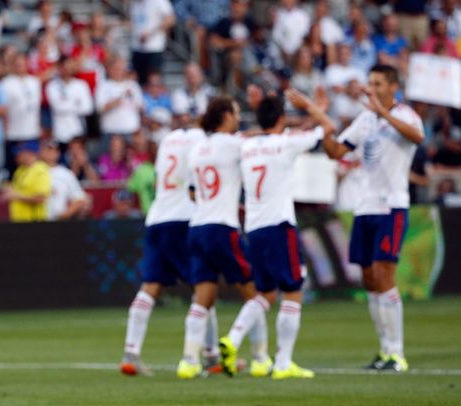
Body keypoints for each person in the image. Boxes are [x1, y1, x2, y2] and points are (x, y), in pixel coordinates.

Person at [322, 64, 424, 373]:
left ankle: (397, 352)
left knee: (383, 277)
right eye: (370, 82)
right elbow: (337, 151)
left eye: (377, 83)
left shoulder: (405, 115)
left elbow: (417, 137)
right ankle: (383, 350)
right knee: (369, 281)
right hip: (364, 207)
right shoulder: (364, 119)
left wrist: (384, 113)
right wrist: (325, 127)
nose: (371, 88)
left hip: (391, 207)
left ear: (393, 86)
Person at [239, 89, 335, 379]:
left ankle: (233, 339)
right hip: (280, 224)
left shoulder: (247, 145)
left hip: (253, 228)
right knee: (292, 292)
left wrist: (297, 119)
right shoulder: (286, 144)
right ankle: (283, 362)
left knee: (264, 293)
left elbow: (277, 134)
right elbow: (328, 128)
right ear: (283, 118)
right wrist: (311, 108)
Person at [177, 97, 270, 379]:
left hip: (197, 227)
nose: (239, 118)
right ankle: (260, 357)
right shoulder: (232, 144)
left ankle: (189, 361)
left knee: (202, 299)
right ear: (225, 116)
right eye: (237, 112)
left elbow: (192, 192)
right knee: (254, 294)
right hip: (222, 227)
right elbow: (257, 144)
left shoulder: (196, 149)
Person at [120, 120, 219, 377]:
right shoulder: (201, 140)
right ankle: (210, 356)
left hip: (156, 217)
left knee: (151, 285)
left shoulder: (168, 140)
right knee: (204, 286)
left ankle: (130, 353)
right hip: (182, 218)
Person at [41, 140, 89, 221]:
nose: (50, 153)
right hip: (36, 221)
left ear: (58, 153)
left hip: (58, 222)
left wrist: (66, 214)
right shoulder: (33, 171)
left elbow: (80, 198)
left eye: (54, 150)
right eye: (48, 150)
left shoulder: (65, 173)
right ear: (41, 152)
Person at [129, 0, 175, 85]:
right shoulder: (134, 3)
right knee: (137, 82)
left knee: (153, 82)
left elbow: (170, 19)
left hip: (154, 48)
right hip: (137, 47)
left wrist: (151, 34)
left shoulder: (159, 1)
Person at [3, 140, 51, 222]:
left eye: (20, 152)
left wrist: (16, 196)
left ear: (29, 153)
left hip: (34, 221)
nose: (17, 155)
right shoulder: (20, 170)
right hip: (18, 220)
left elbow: (41, 198)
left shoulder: (40, 170)